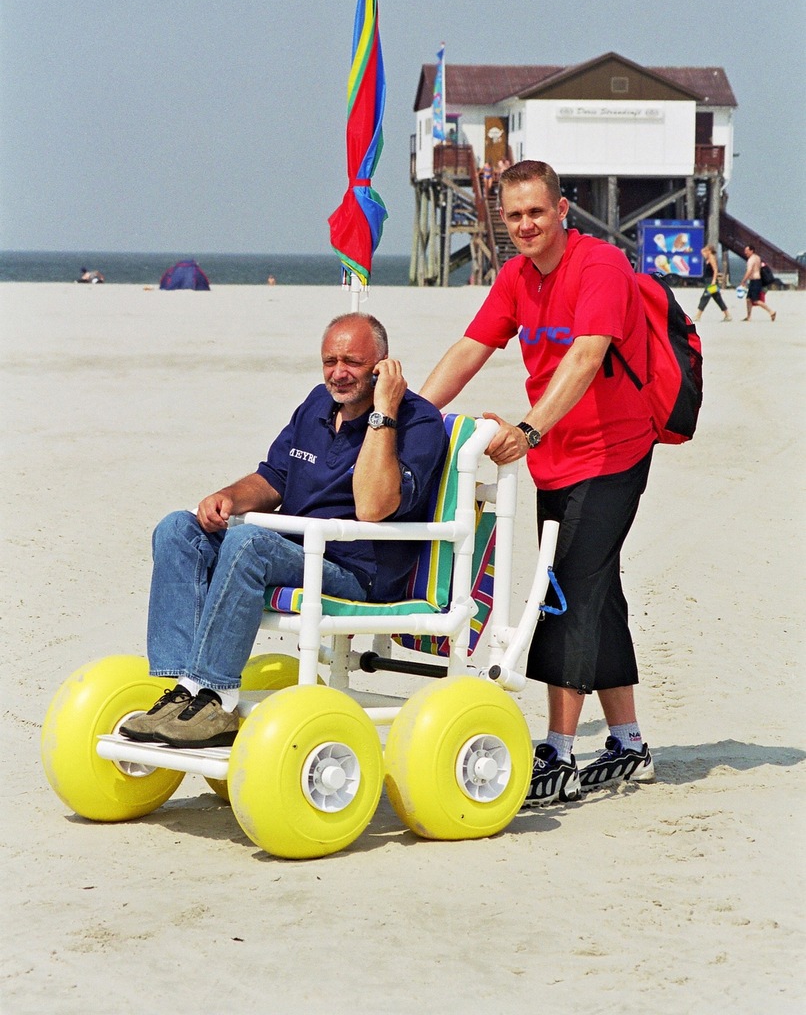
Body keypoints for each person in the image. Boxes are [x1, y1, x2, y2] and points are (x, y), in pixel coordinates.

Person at [420, 160, 657, 806]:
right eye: (514, 215)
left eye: (536, 212)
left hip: (612, 453)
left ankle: (556, 751)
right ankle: (628, 742)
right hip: (557, 458)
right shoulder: (517, 276)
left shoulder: (600, 265)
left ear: (561, 210)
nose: (525, 225)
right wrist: (404, 417)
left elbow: (586, 355)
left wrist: (526, 431)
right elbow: (473, 346)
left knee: (565, 593)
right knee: (596, 591)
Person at [120, 313, 448, 750]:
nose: (338, 373)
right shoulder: (317, 403)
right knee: (177, 529)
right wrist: (229, 497)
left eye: (352, 361)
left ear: (383, 364)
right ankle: (184, 692)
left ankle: (215, 697)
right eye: (330, 360)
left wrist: (383, 412)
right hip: (291, 553)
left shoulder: (417, 422)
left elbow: (372, 506)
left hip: (353, 570)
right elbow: (274, 477)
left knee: (247, 542)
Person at [739, 244, 776, 321]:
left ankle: (771, 311)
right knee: (748, 299)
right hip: (756, 281)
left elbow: (749, 271)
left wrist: (743, 281)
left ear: (751, 251)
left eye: (747, 251)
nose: (745, 252)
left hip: (755, 281)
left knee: (756, 300)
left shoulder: (751, 260)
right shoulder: (758, 257)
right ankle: (749, 317)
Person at [694, 244, 731, 322]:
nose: (705, 251)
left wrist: (713, 281)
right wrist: (706, 249)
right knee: (718, 299)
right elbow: (702, 251)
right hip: (709, 280)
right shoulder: (708, 257)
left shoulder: (711, 258)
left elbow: (715, 270)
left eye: (707, 250)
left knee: (705, 297)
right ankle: (728, 315)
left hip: (711, 281)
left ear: (709, 251)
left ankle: (698, 316)